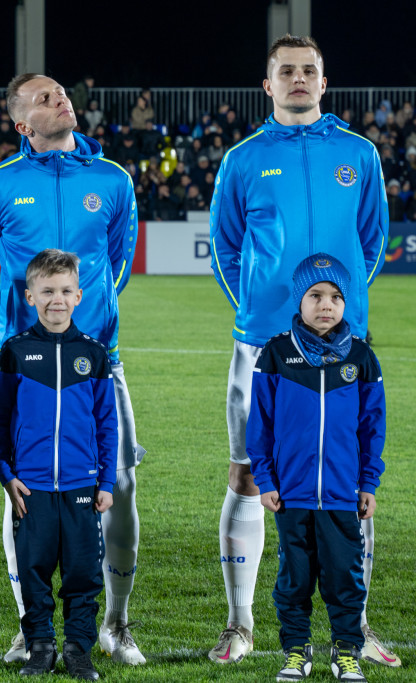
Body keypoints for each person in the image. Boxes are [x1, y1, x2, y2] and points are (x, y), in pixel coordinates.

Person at [208, 33, 394, 668]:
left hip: (345, 349)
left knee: (349, 483)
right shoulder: (241, 159)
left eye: (307, 71)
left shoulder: (359, 154)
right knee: (248, 474)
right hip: (262, 345)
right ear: (267, 85)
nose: (297, 79)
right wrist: (262, 309)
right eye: (285, 71)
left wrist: (337, 314)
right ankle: (240, 623)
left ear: (323, 81)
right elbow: (227, 248)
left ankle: (356, 625)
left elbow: (372, 242)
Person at [0, 73, 145, 666]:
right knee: (21, 491)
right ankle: (31, 626)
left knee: (117, 486)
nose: (59, 99)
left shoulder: (112, 179)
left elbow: (116, 264)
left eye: (61, 92)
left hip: (99, 361)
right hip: (25, 368)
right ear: (22, 124)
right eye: (43, 98)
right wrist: (28, 332)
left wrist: (80, 330)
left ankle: (115, 623)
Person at [247, 253, 385, 683]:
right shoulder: (276, 354)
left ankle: (346, 651)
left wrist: (367, 483)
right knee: (294, 577)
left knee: (345, 577)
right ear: (298, 299)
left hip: (343, 494)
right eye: (316, 295)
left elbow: (372, 428)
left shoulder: (361, 357)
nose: (327, 305)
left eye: (336, 297)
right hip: (292, 493)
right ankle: (296, 650)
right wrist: (266, 480)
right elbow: (260, 426)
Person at [0, 249, 116, 681]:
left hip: (81, 486)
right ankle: (40, 646)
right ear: (30, 296)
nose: (56, 299)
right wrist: (6, 475)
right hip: (33, 488)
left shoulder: (94, 355)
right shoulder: (15, 351)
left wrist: (106, 481)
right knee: (34, 571)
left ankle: (79, 650)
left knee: (82, 574)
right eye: (47, 291)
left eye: (64, 291)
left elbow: (107, 424)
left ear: (79, 295)